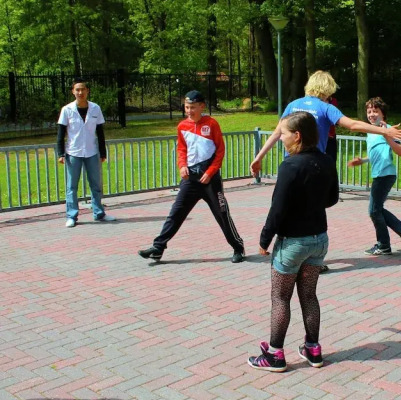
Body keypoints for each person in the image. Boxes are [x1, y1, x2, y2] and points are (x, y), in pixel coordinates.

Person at [248, 111, 338, 372]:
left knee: (280, 297)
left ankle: (275, 354)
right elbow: (331, 199)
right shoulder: (326, 160)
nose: (281, 138)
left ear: (297, 136)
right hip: (319, 239)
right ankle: (313, 349)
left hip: (292, 243)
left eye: (283, 133)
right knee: (309, 295)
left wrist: (264, 239)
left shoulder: (290, 165)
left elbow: (278, 209)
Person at [138, 90, 245, 263]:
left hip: (210, 179)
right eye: (186, 107)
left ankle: (238, 247)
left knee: (222, 214)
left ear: (202, 106)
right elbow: (181, 149)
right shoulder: (182, 126)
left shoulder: (211, 124)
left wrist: (210, 172)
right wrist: (182, 166)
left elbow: (220, 151)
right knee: (176, 213)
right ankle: (158, 247)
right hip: (190, 179)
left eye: (193, 107)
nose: (189, 111)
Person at [250, 70, 401, 177]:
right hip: (312, 165)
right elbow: (353, 125)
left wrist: (258, 157)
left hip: (289, 165)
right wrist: (385, 131)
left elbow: (277, 133)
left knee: (290, 209)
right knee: (312, 212)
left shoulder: (293, 105)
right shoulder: (326, 107)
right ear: (327, 89)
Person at [347, 97, 401, 256]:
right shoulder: (371, 132)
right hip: (379, 174)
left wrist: (387, 135)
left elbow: (399, 151)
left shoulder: (389, 128)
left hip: (386, 174)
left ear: (382, 113)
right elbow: (378, 153)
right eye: (369, 111)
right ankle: (394, 239)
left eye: (375, 111)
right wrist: (363, 161)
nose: (371, 114)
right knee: (376, 209)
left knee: (373, 210)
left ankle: (394, 238)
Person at [57, 77, 116, 227]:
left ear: (87, 91)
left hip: (91, 152)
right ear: (73, 92)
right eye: (77, 89)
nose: (80, 92)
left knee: (96, 184)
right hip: (73, 153)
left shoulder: (95, 108)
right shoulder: (67, 110)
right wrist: (60, 153)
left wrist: (103, 153)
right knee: (72, 186)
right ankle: (71, 216)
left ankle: (99, 213)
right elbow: (60, 133)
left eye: (83, 89)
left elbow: (100, 132)